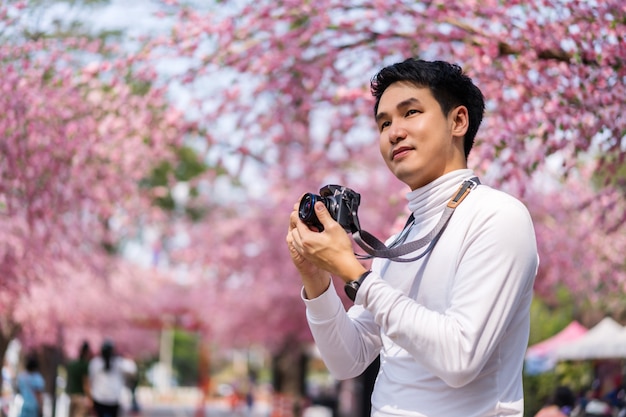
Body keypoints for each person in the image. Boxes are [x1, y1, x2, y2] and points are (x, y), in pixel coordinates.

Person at [286, 58, 539, 416]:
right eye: (384, 122)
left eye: (411, 113)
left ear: (458, 121)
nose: (394, 132)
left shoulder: (498, 216)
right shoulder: (401, 239)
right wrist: (316, 277)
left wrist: (356, 276)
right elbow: (348, 359)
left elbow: (460, 357)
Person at [87, 340, 137, 417]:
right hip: (113, 399)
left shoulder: (95, 363)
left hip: (100, 398)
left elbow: (90, 379)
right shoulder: (118, 362)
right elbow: (132, 369)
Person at [65, 341, 92, 417]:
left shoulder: (72, 364)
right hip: (81, 397)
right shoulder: (85, 365)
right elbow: (85, 383)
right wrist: (90, 399)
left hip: (72, 395)